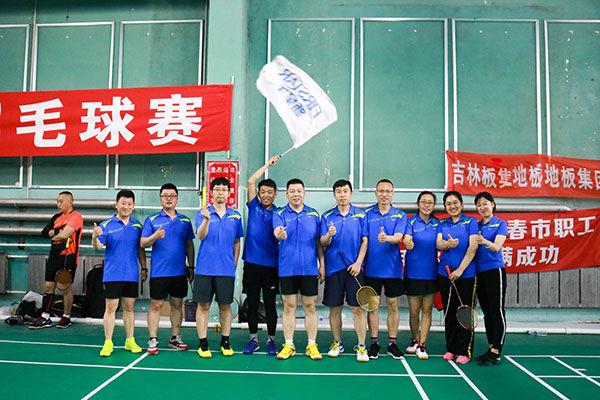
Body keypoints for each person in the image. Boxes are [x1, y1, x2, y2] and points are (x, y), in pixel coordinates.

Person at [273, 178, 325, 360]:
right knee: (289, 307)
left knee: (310, 306)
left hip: (309, 269)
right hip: (287, 268)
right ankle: (289, 344)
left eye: (299, 191)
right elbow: (277, 232)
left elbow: (318, 242)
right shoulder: (279, 214)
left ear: (304, 193)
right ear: (287, 193)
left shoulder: (313, 214)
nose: (296, 194)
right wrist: (280, 234)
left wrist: (322, 264)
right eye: (292, 191)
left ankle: (312, 344)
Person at [141, 183, 195, 355]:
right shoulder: (152, 220)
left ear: (177, 198)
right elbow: (142, 243)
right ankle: (153, 338)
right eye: (165, 196)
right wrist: (155, 236)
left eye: (172, 195)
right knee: (156, 305)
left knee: (177, 305)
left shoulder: (185, 221)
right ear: (160, 198)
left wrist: (191, 265)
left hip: (179, 271)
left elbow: (189, 244)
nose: (169, 198)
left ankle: (175, 337)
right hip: (159, 271)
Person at [92, 190, 147, 357]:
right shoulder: (106, 225)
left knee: (129, 308)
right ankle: (108, 342)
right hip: (113, 274)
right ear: (116, 204)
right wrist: (94, 237)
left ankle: (130, 340)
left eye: (130, 204)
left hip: (131, 274)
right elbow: (98, 247)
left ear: (133, 206)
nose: (126, 207)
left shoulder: (137, 226)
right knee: (111, 308)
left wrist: (144, 267)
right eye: (123, 203)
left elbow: (140, 248)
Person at [194, 177, 244, 358]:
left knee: (225, 306)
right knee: (203, 306)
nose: (221, 192)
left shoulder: (236, 216)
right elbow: (200, 235)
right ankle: (203, 343)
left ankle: (225, 341)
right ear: (211, 192)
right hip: (204, 269)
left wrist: (234, 263)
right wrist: (206, 220)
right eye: (217, 189)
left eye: (224, 189)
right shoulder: (202, 213)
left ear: (229, 193)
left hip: (226, 270)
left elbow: (237, 241)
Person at [320, 179, 369, 362]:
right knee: (335, 309)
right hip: (334, 268)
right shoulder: (327, 216)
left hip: (354, 269)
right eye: (339, 191)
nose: (342, 194)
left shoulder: (361, 215)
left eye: (345, 191)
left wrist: (358, 263)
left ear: (351, 193)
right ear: (334, 194)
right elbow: (322, 242)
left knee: (358, 309)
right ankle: (337, 343)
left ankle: (361, 346)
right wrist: (328, 235)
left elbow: (365, 241)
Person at [364, 179, 407, 360]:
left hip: (392, 269)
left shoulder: (400, 215)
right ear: (376, 193)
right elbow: (363, 239)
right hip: (371, 270)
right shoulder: (366, 214)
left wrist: (386, 238)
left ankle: (392, 343)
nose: (384, 194)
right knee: (372, 307)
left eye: (388, 191)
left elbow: (398, 237)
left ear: (392, 193)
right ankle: (374, 343)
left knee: (393, 305)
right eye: (381, 191)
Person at [242, 155, 280, 355]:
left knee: (271, 305)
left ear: (275, 194)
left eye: (269, 192)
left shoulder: (280, 213)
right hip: (252, 264)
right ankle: (253, 339)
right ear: (258, 193)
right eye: (263, 192)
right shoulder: (254, 207)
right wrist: (267, 165)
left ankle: (271, 340)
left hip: (272, 266)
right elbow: (250, 181)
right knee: (253, 303)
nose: (266, 195)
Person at [436, 191, 478, 365]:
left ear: (461, 204)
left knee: (464, 312)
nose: (452, 206)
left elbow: (473, 247)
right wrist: (448, 244)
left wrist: (460, 269)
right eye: (448, 204)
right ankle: (451, 348)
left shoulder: (471, 222)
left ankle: (464, 350)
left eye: (455, 203)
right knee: (449, 312)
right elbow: (439, 244)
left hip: (466, 275)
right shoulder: (442, 224)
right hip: (445, 274)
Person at [31, 191, 83, 330]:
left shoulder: (76, 217)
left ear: (70, 202)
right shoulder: (56, 217)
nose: (58, 204)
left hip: (68, 257)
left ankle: (66, 316)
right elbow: (44, 233)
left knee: (65, 287)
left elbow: (64, 235)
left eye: (61, 201)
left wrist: (55, 234)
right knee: (48, 286)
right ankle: (45, 317)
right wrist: (57, 231)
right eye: (57, 201)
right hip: (53, 256)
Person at [402, 191, 440, 360]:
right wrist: (407, 243)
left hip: (431, 272)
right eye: (424, 202)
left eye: (430, 202)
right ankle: (414, 340)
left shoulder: (437, 224)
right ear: (418, 204)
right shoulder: (410, 222)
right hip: (413, 272)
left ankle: (422, 344)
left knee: (427, 310)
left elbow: (440, 243)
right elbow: (406, 239)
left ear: (433, 206)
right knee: (413, 311)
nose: (426, 205)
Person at [473, 191, 508, 366]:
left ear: (492, 204)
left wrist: (484, 241)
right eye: (479, 205)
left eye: (485, 204)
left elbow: (496, 247)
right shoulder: (476, 225)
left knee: (496, 310)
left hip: (495, 271)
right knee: (487, 311)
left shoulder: (500, 224)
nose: (482, 207)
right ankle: (490, 347)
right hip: (479, 272)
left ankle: (497, 351)